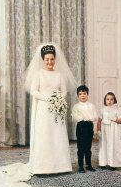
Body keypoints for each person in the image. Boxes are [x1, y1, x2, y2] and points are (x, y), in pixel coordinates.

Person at [24, 43, 76, 175]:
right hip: (43, 109)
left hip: (56, 109)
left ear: (55, 60)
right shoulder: (38, 74)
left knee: (57, 135)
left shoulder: (59, 75)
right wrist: (47, 98)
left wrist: (58, 98)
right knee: (44, 135)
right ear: (43, 60)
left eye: (52, 59)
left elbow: (64, 91)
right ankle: (42, 167)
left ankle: (60, 166)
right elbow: (33, 91)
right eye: (47, 59)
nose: (49, 62)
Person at [71, 85, 98, 173]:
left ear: (88, 94)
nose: (82, 96)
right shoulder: (76, 107)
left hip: (89, 126)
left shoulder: (91, 106)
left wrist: (85, 116)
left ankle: (88, 165)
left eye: (84, 93)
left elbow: (95, 116)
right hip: (81, 127)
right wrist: (85, 117)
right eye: (80, 94)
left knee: (88, 147)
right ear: (78, 96)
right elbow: (75, 117)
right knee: (81, 147)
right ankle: (81, 166)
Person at [97, 91, 121, 171]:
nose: (109, 101)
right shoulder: (102, 110)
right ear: (105, 100)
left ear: (114, 100)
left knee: (113, 145)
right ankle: (103, 162)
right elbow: (99, 120)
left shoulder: (117, 110)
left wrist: (114, 119)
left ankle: (113, 163)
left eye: (111, 99)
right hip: (105, 130)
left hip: (113, 130)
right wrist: (98, 130)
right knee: (104, 145)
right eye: (107, 99)